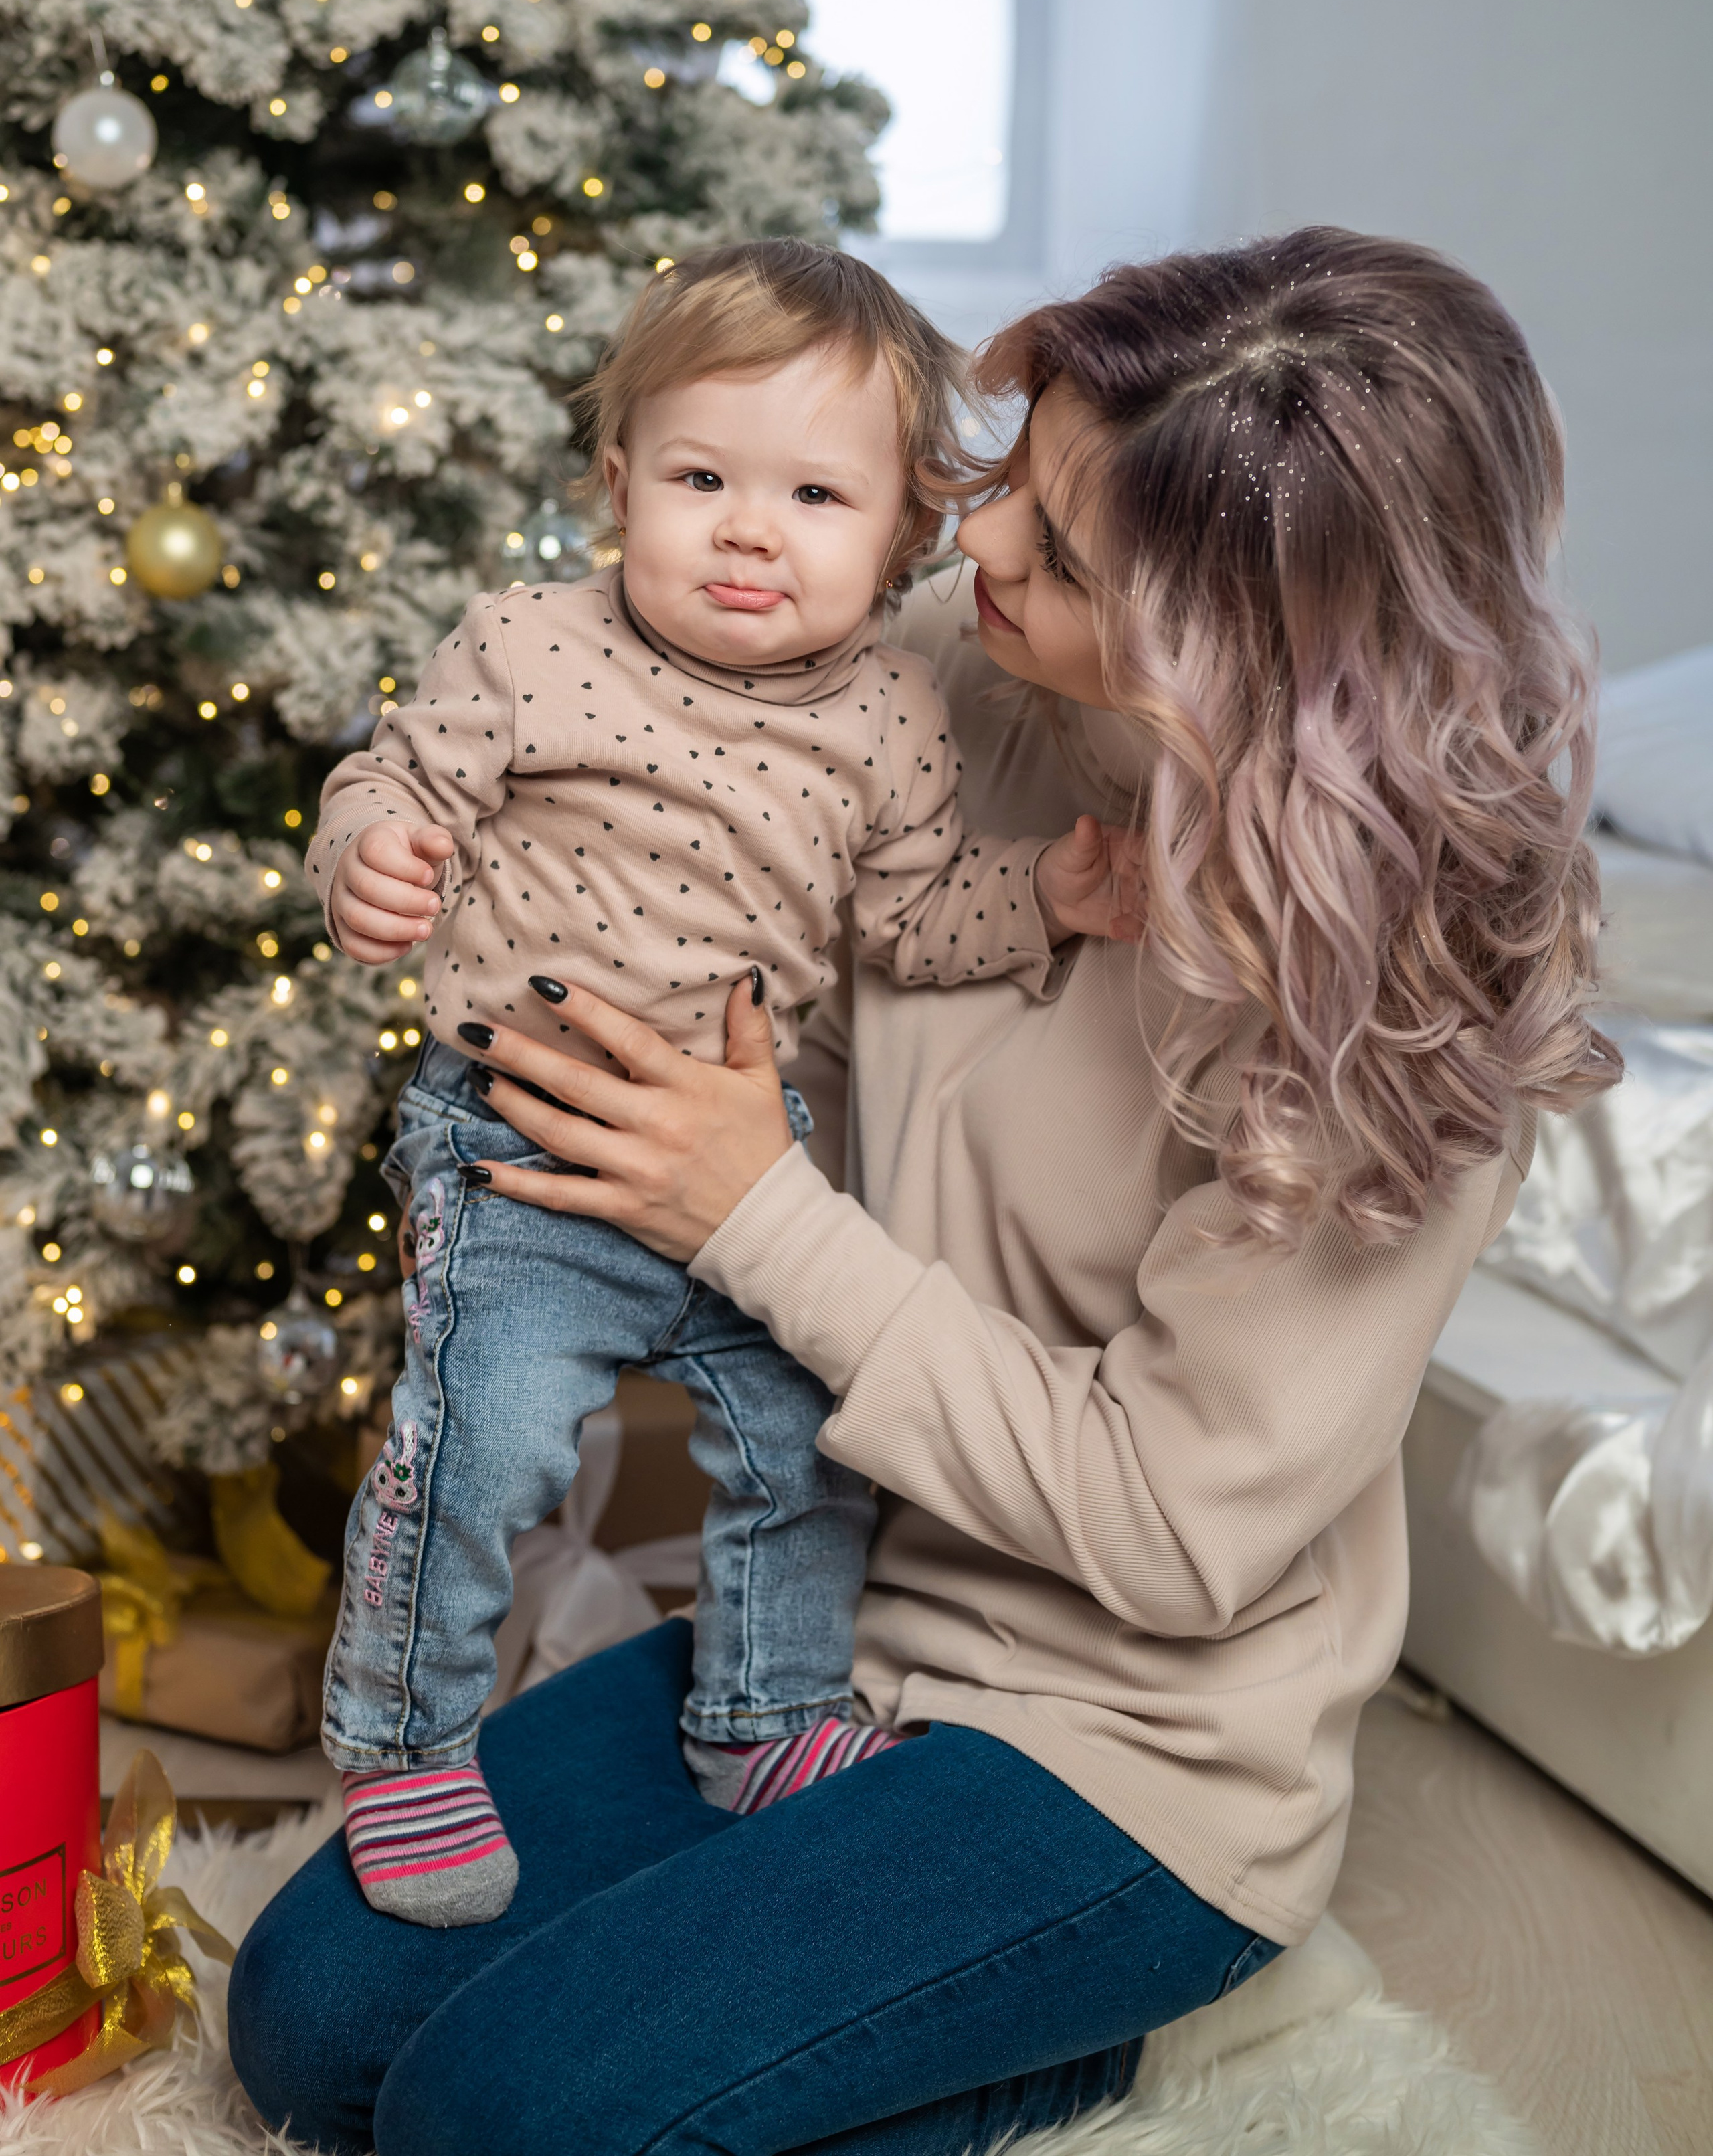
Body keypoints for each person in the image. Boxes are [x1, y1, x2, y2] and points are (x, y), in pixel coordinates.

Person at [230, 227, 1611, 2156]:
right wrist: (395, 855)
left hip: (1131, 1750)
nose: (977, 562)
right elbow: (552, 733)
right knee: (310, 2023)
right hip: (827, 1622)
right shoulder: (924, 686)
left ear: (1246, 637)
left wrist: (753, 1213)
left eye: (1060, 551)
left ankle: (1089, 2033)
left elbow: (1174, 1524)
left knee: (497, 2115)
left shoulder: (1399, 1002)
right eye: (1003, 487)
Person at [304, 242, 1137, 1924]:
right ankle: (401, 1738)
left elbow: (907, 917)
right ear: (616, 486)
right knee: (489, 1439)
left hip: (751, 1167)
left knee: (810, 1438)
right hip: (525, 1149)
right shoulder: (529, 647)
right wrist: (369, 860)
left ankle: (760, 1717)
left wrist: (1037, 897)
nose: (750, 529)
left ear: (903, 533)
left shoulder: (894, 721)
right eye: (699, 478)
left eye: (816, 495)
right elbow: (390, 782)